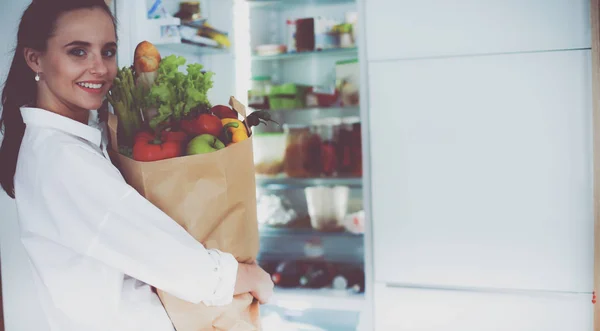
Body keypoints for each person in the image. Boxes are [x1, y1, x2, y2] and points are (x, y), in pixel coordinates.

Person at [0, 0, 273, 330]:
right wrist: (250, 277)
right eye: (78, 52)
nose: (100, 67)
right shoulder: (62, 159)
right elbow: (174, 262)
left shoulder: (70, 143)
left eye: (108, 51)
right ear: (35, 59)